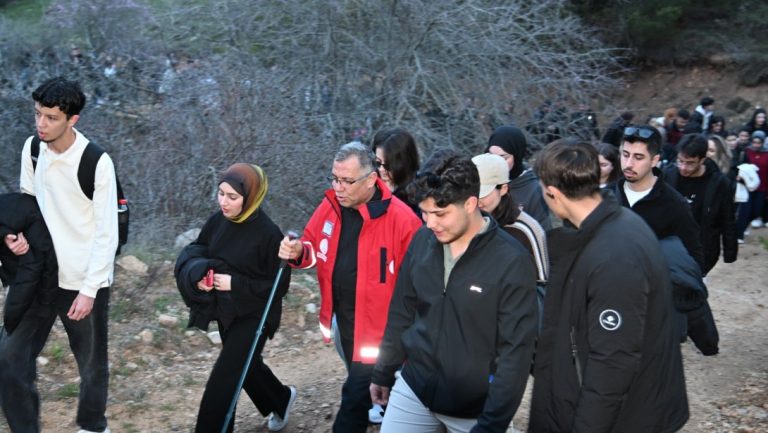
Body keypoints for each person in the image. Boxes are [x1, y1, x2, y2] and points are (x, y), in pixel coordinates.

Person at [528, 141, 689, 433]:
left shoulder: (615, 256)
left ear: (552, 192)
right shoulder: (615, 223)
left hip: (629, 416)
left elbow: (613, 363)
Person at [370, 154, 538, 433]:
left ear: (470, 204)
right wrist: (383, 371)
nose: (429, 223)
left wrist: (491, 425)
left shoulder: (512, 261)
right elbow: (402, 310)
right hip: (416, 388)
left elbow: (516, 355)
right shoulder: (422, 241)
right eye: (424, 213)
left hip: (475, 406)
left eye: (440, 214)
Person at [278, 142, 421, 433]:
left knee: (353, 403)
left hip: (382, 336)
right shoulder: (331, 206)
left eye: (347, 181)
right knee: (380, 395)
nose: (338, 187)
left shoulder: (403, 220)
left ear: (371, 180)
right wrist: (298, 252)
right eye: (335, 178)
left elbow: (420, 286)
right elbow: (312, 248)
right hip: (345, 325)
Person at [3, 77, 117, 433]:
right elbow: (26, 207)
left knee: (91, 363)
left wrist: (89, 290)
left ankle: (93, 426)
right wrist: (16, 240)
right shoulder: (32, 149)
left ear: (72, 120)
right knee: (8, 358)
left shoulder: (96, 162)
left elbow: (107, 233)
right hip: (37, 276)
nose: (41, 123)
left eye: (51, 118)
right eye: (38, 114)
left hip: (80, 280)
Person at [175, 163, 295, 432]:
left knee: (224, 380)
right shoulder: (219, 221)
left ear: (250, 197)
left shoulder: (269, 234)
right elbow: (199, 250)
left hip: (257, 315)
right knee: (244, 367)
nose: (224, 202)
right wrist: (201, 274)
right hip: (228, 311)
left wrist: (235, 284)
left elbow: (278, 287)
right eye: (221, 194)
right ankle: (281, 399)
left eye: (232, 197)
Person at [0, 193, 59, 433]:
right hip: (28, 291)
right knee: (16, 363)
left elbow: (33, 267)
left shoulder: (14, 210)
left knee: (8, 361)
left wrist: (12, 317)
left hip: (41, 293)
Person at [615, 125, 705, 273]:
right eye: (625, 155)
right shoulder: (606, 196)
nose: (629, 164)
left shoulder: (675, 205)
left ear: (654, 160)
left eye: (638, 157)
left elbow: (693, 261)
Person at [664, 134, 738, 276]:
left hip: (702, 248)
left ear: (702, 160)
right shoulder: (668, 175)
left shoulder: (719, 183)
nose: (683, 167)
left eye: (690, 163)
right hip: (670, 246)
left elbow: (727, 218)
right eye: (680, 161)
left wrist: (730, 251)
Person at [485, 125, 552, 230]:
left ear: (517, 157)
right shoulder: (482, 179)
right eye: (491, 155)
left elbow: (543, 232)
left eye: (503, 158)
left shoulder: (534, 191)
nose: (495, 163)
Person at [371, 128, 421, 215]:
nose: (381, 169)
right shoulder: (369, 184)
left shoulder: (419, 193)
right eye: (378, 162)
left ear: (404, 163)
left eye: (388, 165)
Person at [743, 130, 768, 229]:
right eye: (754, 142)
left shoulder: (766, 153)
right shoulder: (747, 151)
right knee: (747, 207)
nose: (756, 145)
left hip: (762, 185)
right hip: (749, 185)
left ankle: (758, 218)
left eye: (759, 143)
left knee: (758, 206)